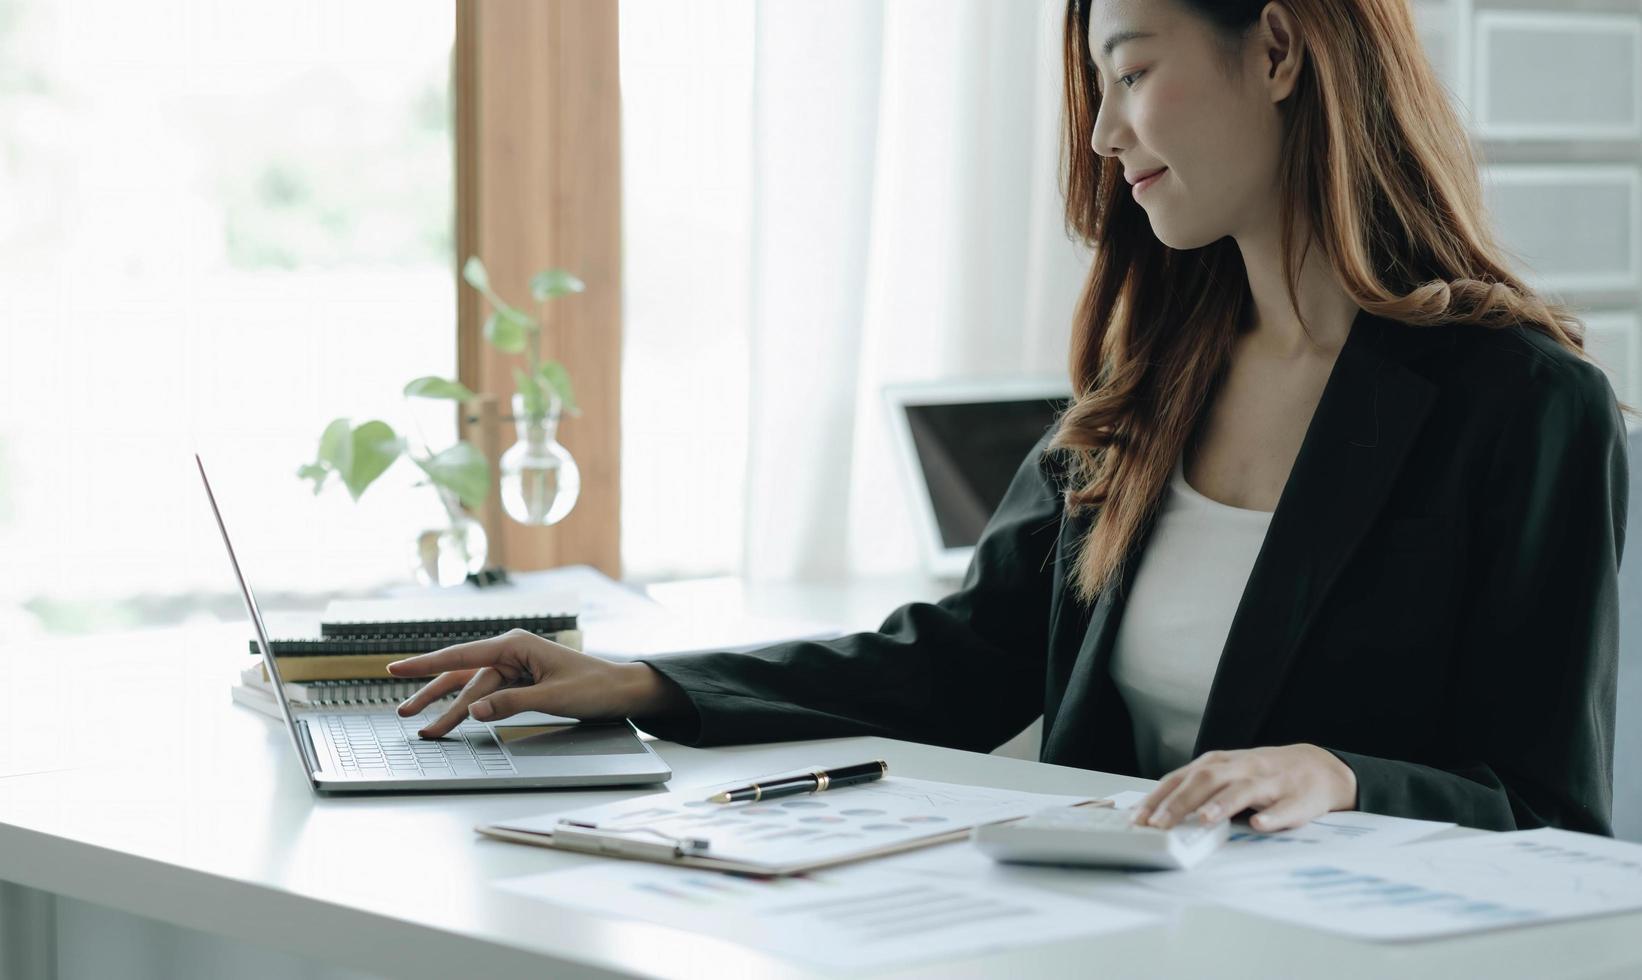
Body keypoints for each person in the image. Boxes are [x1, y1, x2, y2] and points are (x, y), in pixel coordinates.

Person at [387, 0, 1631, 836]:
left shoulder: (1520, 408)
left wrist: (1341, 776)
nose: (1099, 131)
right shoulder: (1150, 383)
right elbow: (956, 660)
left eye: (1132, 71)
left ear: (1279, 52)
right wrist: (646, 682)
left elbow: (1545, 806)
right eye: (1094, 86)